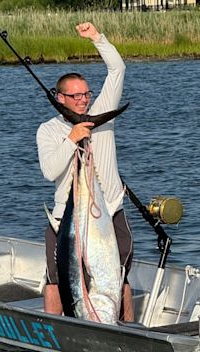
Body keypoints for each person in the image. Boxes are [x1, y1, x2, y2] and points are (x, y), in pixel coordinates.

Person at [36, 22, 134, 322]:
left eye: (85, 94)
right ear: (60, 98)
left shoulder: (101, 113)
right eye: (75, 96)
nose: (83, 100)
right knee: (55, 279)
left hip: (110, 209)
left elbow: (117, 69)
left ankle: (129, 330)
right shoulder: (49, 130)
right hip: (66, 218)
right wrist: (72, 138)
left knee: (119, 277)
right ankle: (54, 333)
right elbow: (50, 171)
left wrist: (96, 38)